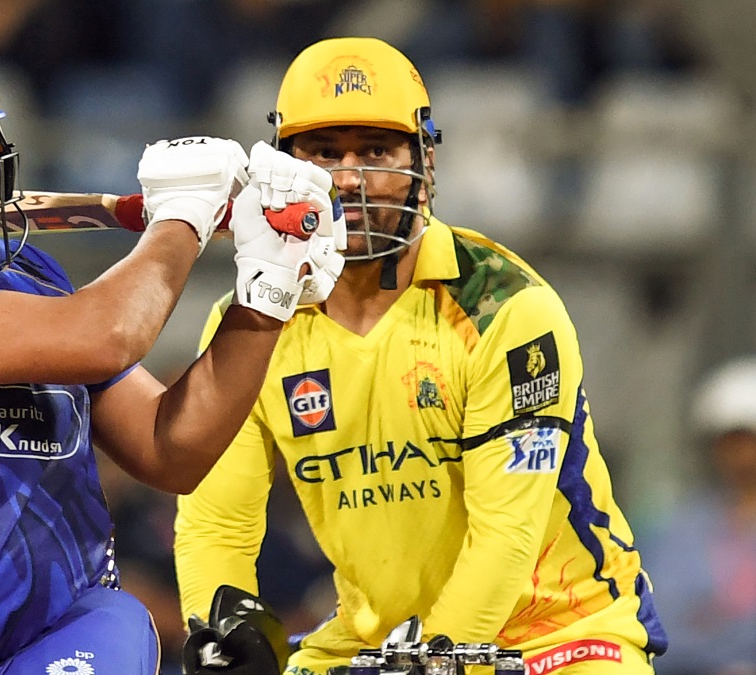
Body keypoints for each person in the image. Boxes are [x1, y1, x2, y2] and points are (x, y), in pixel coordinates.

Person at [0, 40, 341, 675]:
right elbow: (109, 335)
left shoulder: (31, 278)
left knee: (117, 618)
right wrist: (184, 215)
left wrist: (265, 295)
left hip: (56, 642)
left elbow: (170, 450)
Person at [173, 37, 668, 675]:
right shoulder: (251, 322)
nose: (348, 178)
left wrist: (430, 658)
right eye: (324, 152)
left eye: (376, 151)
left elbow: (506, 535)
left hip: (560, 636)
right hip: (376, 644)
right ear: (284, 167)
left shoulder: (504, 308)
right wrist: (222, 635)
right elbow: (217, 523)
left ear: (424, 162)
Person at [643, 357, 756, 675]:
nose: (743, 456)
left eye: (750, 441)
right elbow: (660, 626)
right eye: (731, 442)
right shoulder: (679, 529)